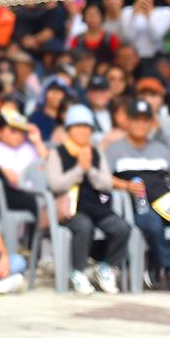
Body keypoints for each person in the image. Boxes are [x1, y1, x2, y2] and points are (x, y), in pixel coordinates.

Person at [103, 98, 170, 293]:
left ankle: (163, 264)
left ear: (152, 123)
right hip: (138, 200)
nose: (140, 125)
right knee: (152, 224)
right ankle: (169, 269)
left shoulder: (160, 147)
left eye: (145, 120)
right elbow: (103, 177)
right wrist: (124, 185)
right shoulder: (114, 149)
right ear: (127, 121)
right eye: (136, 119)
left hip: (166, 200)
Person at [45, 105, 130, 295]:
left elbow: (106, 183)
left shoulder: (96, 153)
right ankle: (78, 271)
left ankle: (106, 268)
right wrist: (78, 169)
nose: (83, 131)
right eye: (77, 126)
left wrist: (89, 168)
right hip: (72, 209)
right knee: (84, 226)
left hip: (98, 207)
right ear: (68, 130)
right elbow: (56, 184)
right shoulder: (57, 153)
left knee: (122, 228)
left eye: (87, 127)